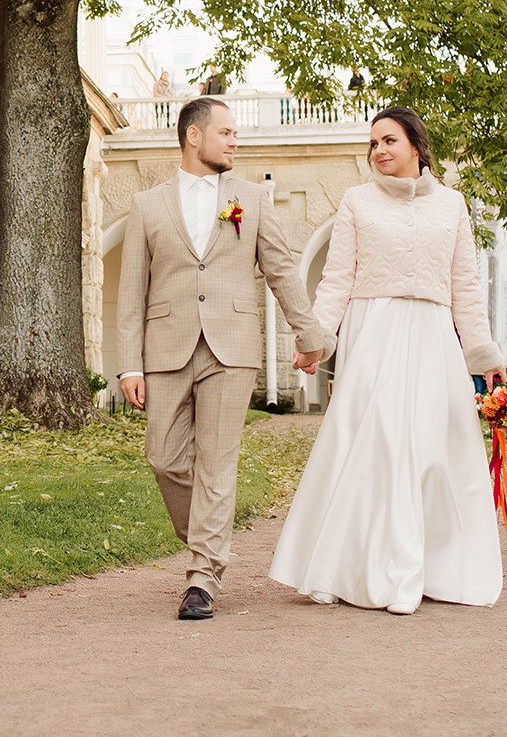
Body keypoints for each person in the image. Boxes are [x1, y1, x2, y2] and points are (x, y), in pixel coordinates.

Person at [268, 105, 507, 615]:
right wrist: (316, 340)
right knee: (378, 444)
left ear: (416, 146)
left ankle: (436, 566)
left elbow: (466, 287)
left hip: (433, 337)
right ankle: (367, 568)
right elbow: (336, 280)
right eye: (373, 142)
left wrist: (483, 354)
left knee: (431, 449)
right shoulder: (356, 202)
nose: (378, 150)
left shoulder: (453, 206)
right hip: (373, 333)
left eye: (389, 140)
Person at [115, 98, 332, 621]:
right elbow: (130, 293)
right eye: (227, 133)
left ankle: (203, 576)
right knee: (164, 457)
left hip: (231, 347)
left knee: (217, 461)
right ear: (193, 136)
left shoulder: (251, 199)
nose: (236, 142)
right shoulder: (147, 204)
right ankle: (208, 539)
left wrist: (309, 333)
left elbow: (281, 269)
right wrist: (129, 365)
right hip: (165, 346)